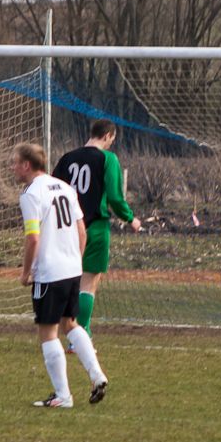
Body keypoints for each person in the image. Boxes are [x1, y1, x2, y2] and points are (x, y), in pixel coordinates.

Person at [15, 142, 108, 408]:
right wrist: (75, 261)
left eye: (15, 163)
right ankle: (97, 375)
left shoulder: (31, 194)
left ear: (26, 165)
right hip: (71, 269)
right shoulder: (65, 188)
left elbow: (33, 238)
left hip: (49, 272)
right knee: (71, 324)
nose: (12, 168)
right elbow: (82, 232)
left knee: (48, 332)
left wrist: (26, 273)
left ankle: (63, 396)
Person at [52, 119, 141, 342]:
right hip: (96, 227)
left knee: (70, 279)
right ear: (108, 136)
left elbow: (53, 191)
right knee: (89, 282)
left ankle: (72, 331)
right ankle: (80, 337)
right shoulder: (108, 159)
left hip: (68, 227)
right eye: (112, 139)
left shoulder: (67, 158)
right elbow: (114, 197)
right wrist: (130, 218)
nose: (111, 143)